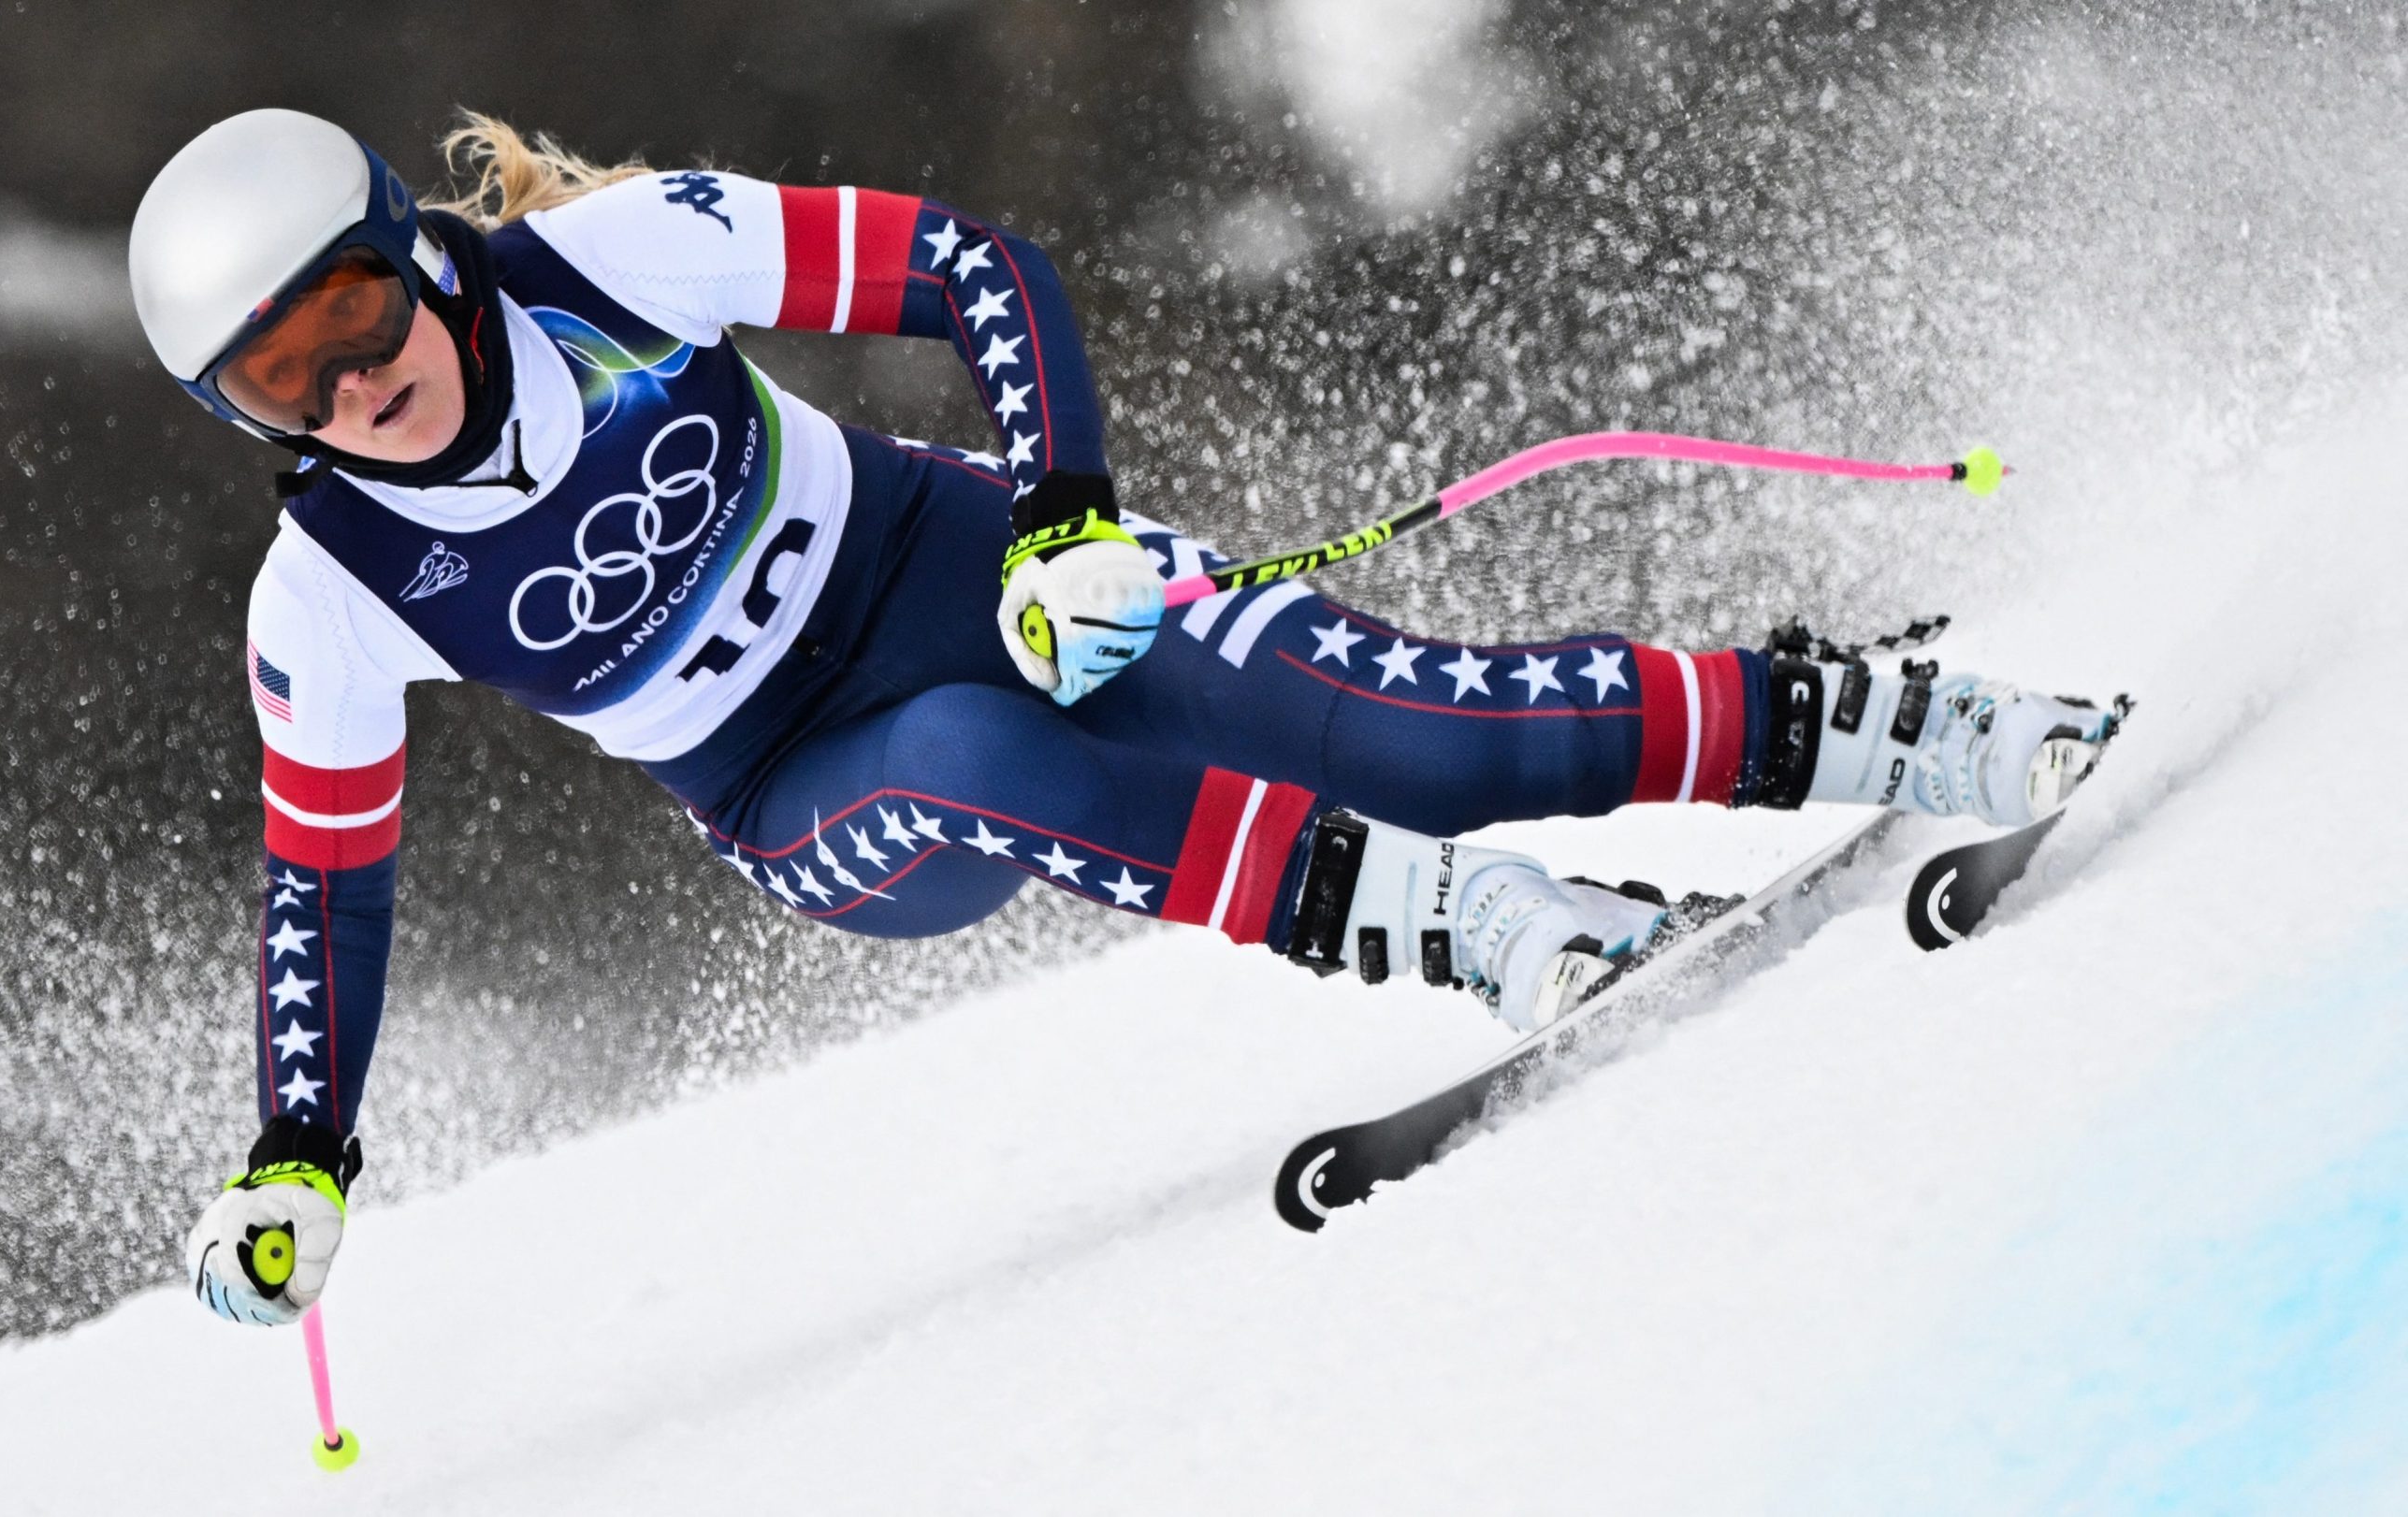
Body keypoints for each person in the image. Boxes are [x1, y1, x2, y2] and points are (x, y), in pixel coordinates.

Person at [131, 108, 2119, 1326]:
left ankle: (1906, 726)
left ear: (419, 255)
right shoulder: (326, 593)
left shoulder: (604, 262)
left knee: (1413, 723)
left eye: (356, 323)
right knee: (968, 763)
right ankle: (1495, 928)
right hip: (812, 795)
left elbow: (976, 270)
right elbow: (327, 886)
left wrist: (1065, 517)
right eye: (279, 389)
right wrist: (298, 1147)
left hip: (966, 561)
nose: (348, 393)